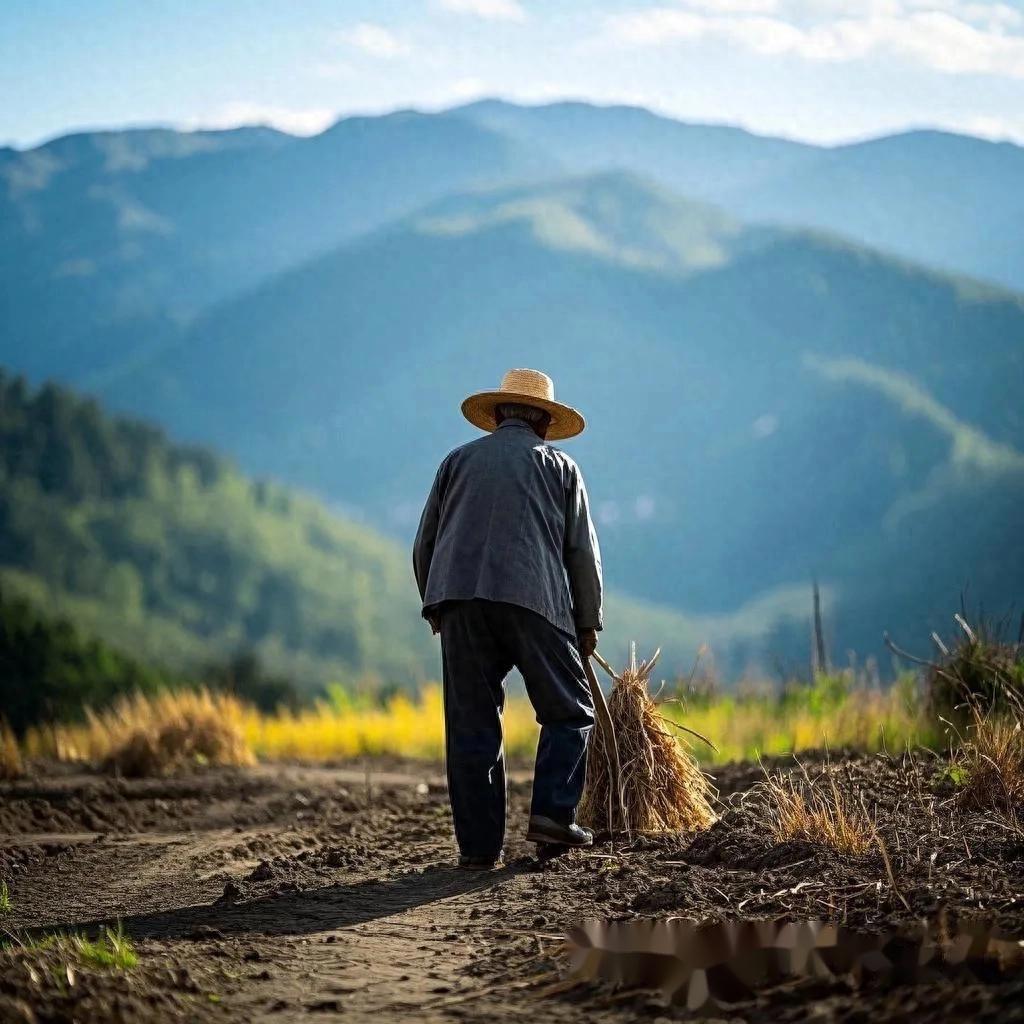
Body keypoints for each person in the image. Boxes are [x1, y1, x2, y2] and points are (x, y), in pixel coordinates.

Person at [413, 368, 603, 870]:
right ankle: (553, 816)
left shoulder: (456, 462)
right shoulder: (560, 468)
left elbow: (426, 545)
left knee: (471, 724)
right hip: (532, 598)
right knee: (571, 710)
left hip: (458, 601)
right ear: (543, 422)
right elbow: (581, 553)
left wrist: (437, 607)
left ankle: (478, 850)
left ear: (497, 417)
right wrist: (587, 623)